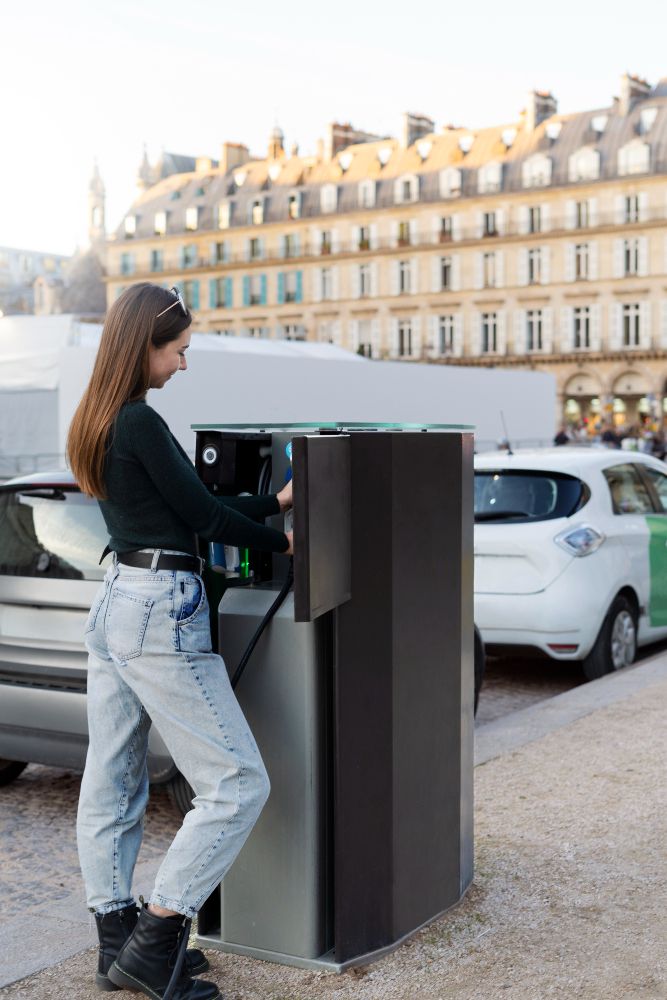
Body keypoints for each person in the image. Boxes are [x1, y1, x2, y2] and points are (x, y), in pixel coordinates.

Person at [67, 284, 293, 1000]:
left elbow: (190, 503)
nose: (184, 364)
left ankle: (116, 943)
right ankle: (156, 937)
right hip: (161, 608)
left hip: (118, 600)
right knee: (238, 783)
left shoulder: (98, 416)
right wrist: (284, 539)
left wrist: (272, 502)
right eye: (179, 351)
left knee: (112, 779)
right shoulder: (139, 420)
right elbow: (205, 518)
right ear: (146, 346)